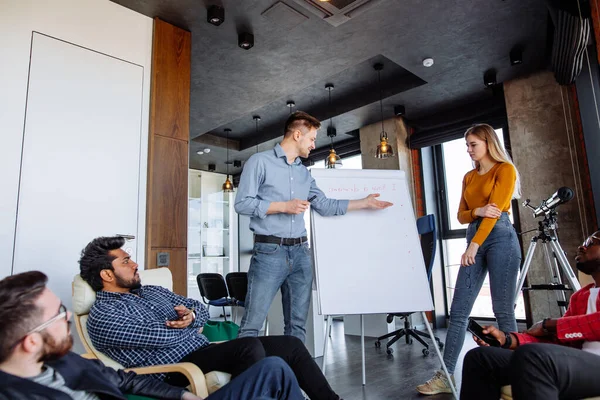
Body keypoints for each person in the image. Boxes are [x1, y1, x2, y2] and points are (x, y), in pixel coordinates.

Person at [79, 235, 341, 400]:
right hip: (173, 372)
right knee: (248, 346)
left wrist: (193, 316)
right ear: (107, 275)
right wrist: (192, 326)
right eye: (126, 261)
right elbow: (160, 339)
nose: (135, 264)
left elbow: (198, 307)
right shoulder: (104, 315)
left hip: (202, 352)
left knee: (290, 345)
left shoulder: (152, 291)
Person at [0, 271, 305, 400]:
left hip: (183, 380)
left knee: (274, 366)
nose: (67, 316)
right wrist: (188, 329)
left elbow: (125, 379)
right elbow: (156, 340)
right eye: (57, 315)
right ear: (30, 342)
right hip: (181, 364)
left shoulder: (65, 362)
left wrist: (183, 395)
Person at [234, 111, 393, 341]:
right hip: (269, 253)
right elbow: (242, 203)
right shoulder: (260, 162)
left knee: (297, 328)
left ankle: (292, 376)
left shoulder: (303, 173)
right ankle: (248, 376)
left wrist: (364, 202)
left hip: (301, 254)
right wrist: (283, 206)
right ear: (297, 135)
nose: (314, 144)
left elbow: (325, 205)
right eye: (312, 138)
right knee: (252, 325)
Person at [417, 124, 522, 395]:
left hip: (500, 238)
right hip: (474, 236)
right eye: (466, 145)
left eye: (473, 144)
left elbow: (494, 213)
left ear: (488, 143)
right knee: (459, 311)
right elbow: (462, 215)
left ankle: (511, 380)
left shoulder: (505, 170)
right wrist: (476, 210)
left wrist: (474, 246)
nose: (468, 149)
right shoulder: (468, 177)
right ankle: (446, 375)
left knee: (503, 311)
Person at [460, 230, 600, 400]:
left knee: (533, 357)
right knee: (481, 358)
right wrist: (507, 339)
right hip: (577, 364)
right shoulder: (580, 297)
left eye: (590, 243)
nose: (581, 247)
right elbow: (560, 341)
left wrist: (548, 324)